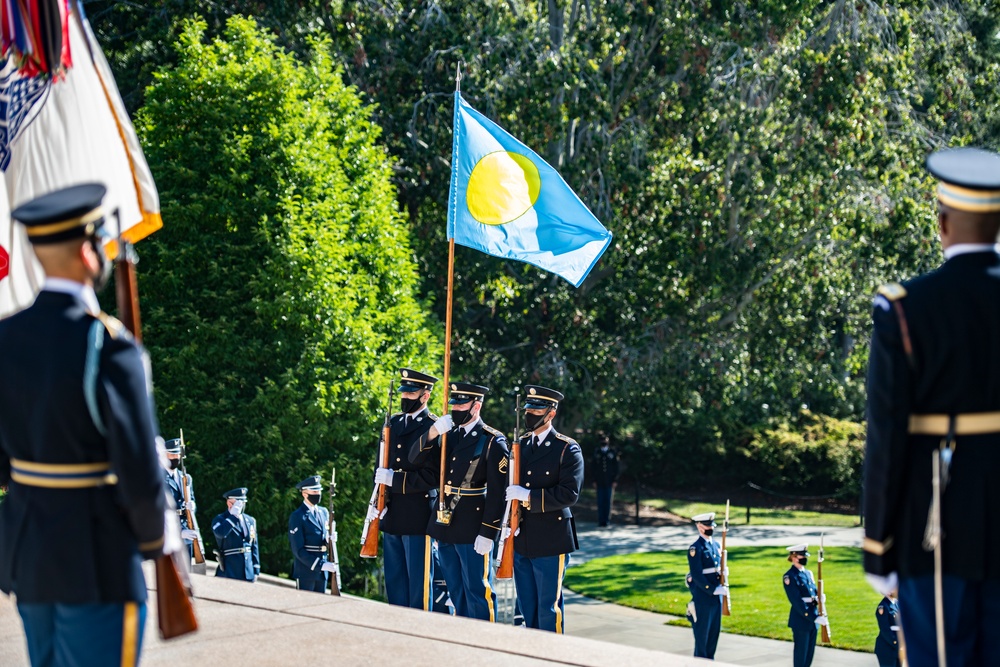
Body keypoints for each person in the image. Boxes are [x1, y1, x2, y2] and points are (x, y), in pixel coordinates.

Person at [0, 184, 166, 667]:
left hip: (29, 553)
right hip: (96, 557)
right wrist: (154, 542)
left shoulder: (6, 339)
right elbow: (139, 472)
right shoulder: (110, 346)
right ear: (87, 251)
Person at [863, 146, 1000, 666]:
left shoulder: (905, 308)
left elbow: (887, 437)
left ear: (943, 224)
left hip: (937, 524)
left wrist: (879, 544)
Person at [416, 381, 508, 621]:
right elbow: (415, 460)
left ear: (476, 406)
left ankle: (484, 642)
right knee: (455, 589)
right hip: (445, 523)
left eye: (461, 404)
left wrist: (488, 532)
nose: (455, 409)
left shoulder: (492, 441)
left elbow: (499, 493)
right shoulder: (448, 436)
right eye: (453, 404)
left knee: (478, 591)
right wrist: (432, 433)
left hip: (472, 527)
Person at [505, 385, 584, 633]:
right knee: (527, 608)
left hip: (552, 539)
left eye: (536, 409)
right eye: (528, 408)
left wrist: (527, 496)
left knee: (548, 610)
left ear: (551, 413)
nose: (530, 414)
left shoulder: (566, 448)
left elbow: (569, 494)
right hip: (522, 538)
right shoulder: (522, 445)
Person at [372, 368, 446, 610]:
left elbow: (433, 476)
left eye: (411, 394)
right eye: (404, 392)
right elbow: (381, 467)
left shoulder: (434, 427)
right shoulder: (392, 424)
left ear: (425, 396)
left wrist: (395, 480)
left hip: (418, 516)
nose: (405, 398)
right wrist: (377, 502)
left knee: (418, 588)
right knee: (395, 584)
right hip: (391, 514)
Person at [686, 512, 725, 659]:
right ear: (699, 526)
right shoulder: (696, 548)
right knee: (702, 637)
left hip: (716, 598)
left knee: (713, 636)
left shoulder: (715, 545)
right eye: (707, 526)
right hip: (704, 597)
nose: (710, 528)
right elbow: (696, 575)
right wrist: (713, 589)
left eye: (711, 525)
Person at [288, 475, 337, 592]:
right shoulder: (298, 516)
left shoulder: (323, 512)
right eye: (314, 491)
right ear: (304, 494)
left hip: (322, 571)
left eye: (319, 491)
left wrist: (329, 539)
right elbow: (298, 550)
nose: (318, 494)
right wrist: (320, 564)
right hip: (306, 570)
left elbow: (321, 537)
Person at [783, 544, 827, 667]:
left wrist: (820, 597)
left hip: (813, 619)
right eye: (802, 556)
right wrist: (813, 617)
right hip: (801, 619)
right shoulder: (790, 576)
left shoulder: (808, 573)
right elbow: (797, 601)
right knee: (801, 655)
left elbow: (812, 591)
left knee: (809, 654)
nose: (805, 558)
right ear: (794, 557)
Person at [212, 487, 260, 582]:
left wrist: (256, 568)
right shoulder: (220, 519)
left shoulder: (250, 520)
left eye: (243, 502)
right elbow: (220, 533)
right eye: (238, 503)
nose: (242, 506)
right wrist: (233, 517)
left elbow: (254, 545)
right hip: (229, 569)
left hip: (247, 570)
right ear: (229, 503)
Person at [164, 438, 200, 562]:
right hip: (169, 530)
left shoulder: (185, 477)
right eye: (172, 454)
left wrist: (192, 506)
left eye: (177, 454)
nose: (175, 457)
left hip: (186, 527)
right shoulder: (159, 478)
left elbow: (192, 498)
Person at [591, 433, 619, 527]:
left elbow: (616, 468)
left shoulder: (612, 452)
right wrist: (594, 480)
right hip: (599, 481)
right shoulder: (597, 452)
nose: (603, 442)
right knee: (600, 501)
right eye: (602, 440)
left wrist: (615, 480)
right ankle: (601, 520)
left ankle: (607, 520)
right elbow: (593, 468)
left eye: (605, 440)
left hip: (609, 481)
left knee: (608, 501)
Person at [875, 595, 901, 666]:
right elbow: (885, 630)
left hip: (898, 647)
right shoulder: (883, 606)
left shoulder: (897, 604)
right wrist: (896, 644)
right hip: (888, 648)